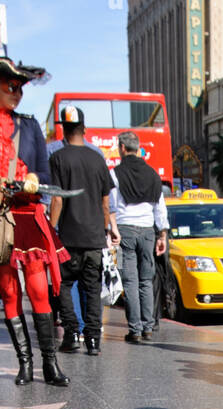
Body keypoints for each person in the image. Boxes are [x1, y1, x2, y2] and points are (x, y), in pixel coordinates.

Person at [0, 57, 70, 386]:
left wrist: (34, 179)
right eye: (11, 86)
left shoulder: (31, 124)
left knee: (38, 288)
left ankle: (50, 364)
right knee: (8, 292)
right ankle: (25, 364)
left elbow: (42, 169)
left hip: (26, 213)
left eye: (21, 88)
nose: (17, 93)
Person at [49, 105, 119, 356]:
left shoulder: (57, 158)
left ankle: (71, 334)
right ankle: (93, 340)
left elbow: (57, 199)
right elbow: (105, 202)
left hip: (68, 236)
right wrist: (107, 229)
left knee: (64, 285)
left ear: (64, 130)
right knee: (92, 288)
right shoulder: (97, 159)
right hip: (93, 237)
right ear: (84, 129)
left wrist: (51, 229)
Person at [110, 131, 168, 344]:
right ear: (138, 148)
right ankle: (148, 327)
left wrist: (112, 229)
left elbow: (111, 205)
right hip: (147, 233)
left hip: (124, 232)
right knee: (146, 280)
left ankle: (134, 329)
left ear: (122, 148)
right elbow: (160, 209)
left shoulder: (115, 174)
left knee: (130, 280)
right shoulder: (153, 174)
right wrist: (162, 235)